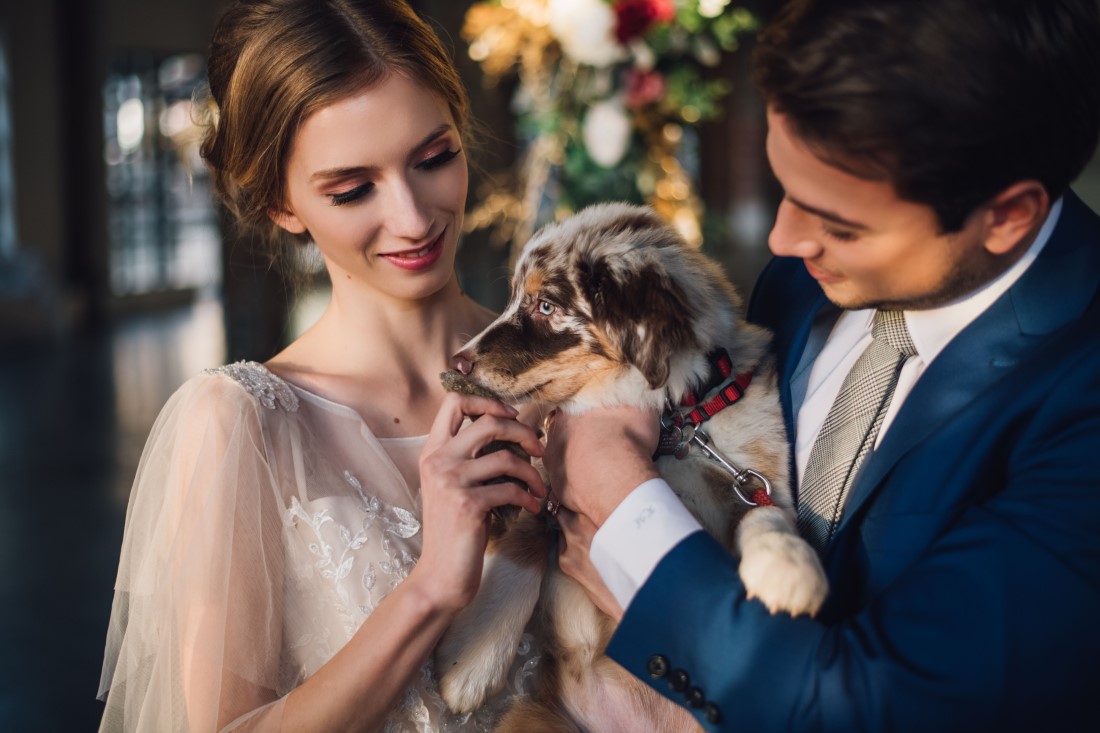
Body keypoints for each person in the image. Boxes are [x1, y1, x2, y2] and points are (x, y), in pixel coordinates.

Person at [544, 0, 1100, 730]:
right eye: (786, 192)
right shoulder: (807, 280)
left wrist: (623, 511)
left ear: (1007, 216)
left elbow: (871, 706)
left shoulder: (1081, 401)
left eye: (840, 225)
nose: (781, 240)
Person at [96, 1, 547, 731]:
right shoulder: (239, 422)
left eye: (434, 157)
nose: (412, 216)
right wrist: (430, 587)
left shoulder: (564, 372)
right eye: (352, 189)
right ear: (281, 201)